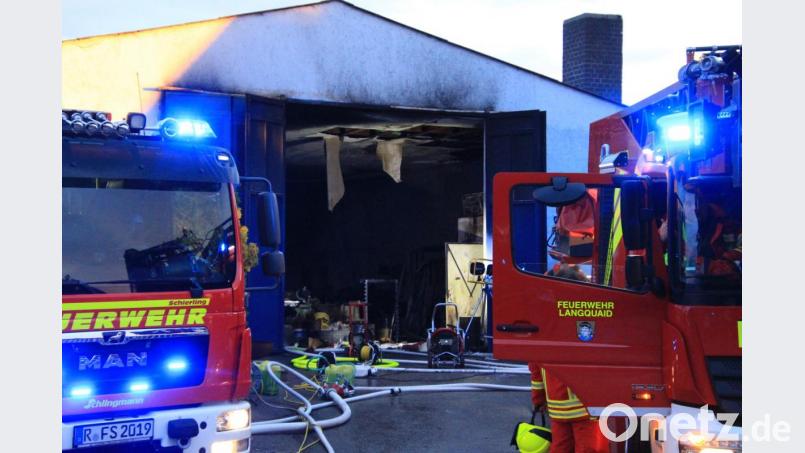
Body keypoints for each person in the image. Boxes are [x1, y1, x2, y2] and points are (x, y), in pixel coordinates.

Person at [528, 363, 609, 453]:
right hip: (585, 406)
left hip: (557, 407)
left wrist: (538, 399)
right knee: (588, 448)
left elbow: (536, 371)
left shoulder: (541, 349)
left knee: (561, 447)